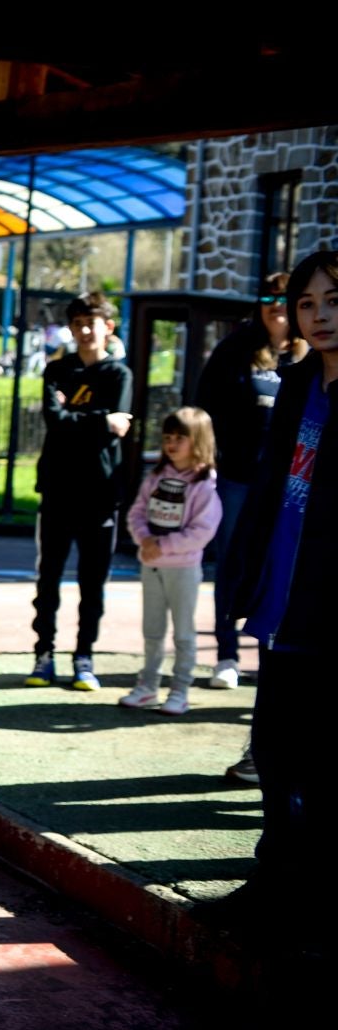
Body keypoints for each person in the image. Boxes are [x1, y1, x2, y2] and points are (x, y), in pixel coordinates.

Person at [202, 249, 338, 950]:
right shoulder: (296, 384)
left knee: (319, 761)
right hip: (282, 599)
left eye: (333, 301)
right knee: (275, 751)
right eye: (309, 304)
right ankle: (271, 880)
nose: (320, 316)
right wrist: (244, 577)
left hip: (330, 608)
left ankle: (311, 897)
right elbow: (266, 492)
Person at [194, 271, 306, 694]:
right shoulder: (236, 348)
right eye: (267, 297)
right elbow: (205, 408)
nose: (276, 304)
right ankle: (226, 655)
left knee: (278, 566)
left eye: (284, 297)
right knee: (233, 565)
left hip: (286, 485)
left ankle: (271, 653)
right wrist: (212, 462)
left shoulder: (308, 356)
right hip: (237, 479)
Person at [25, 292, 133, 691]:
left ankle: (84, 657)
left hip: (101, 492)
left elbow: (114, 428)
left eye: (92, 322)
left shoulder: (119, 375)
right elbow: (56, 422)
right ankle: (43, 653)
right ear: (70, 329)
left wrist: (79, 419)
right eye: (78, 324)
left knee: (93, 582)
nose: (85, 330)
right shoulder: (57, 371)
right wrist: (101, 420)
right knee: (48, 577)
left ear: (108, 326)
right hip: (57, 489)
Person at [118, 407, 221, 717]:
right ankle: (147, 686)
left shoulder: (204, 485)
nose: (172, 444)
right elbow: (136, 513)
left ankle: (180, 691)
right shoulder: (156, 476)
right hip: (151, 565)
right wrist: (145, 541)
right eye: (167, 438)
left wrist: (161, 545)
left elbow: (202, 531)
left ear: (198, 441)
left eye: (180, 438)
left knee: (183, 633)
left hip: (184, 569)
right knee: (152, 630)